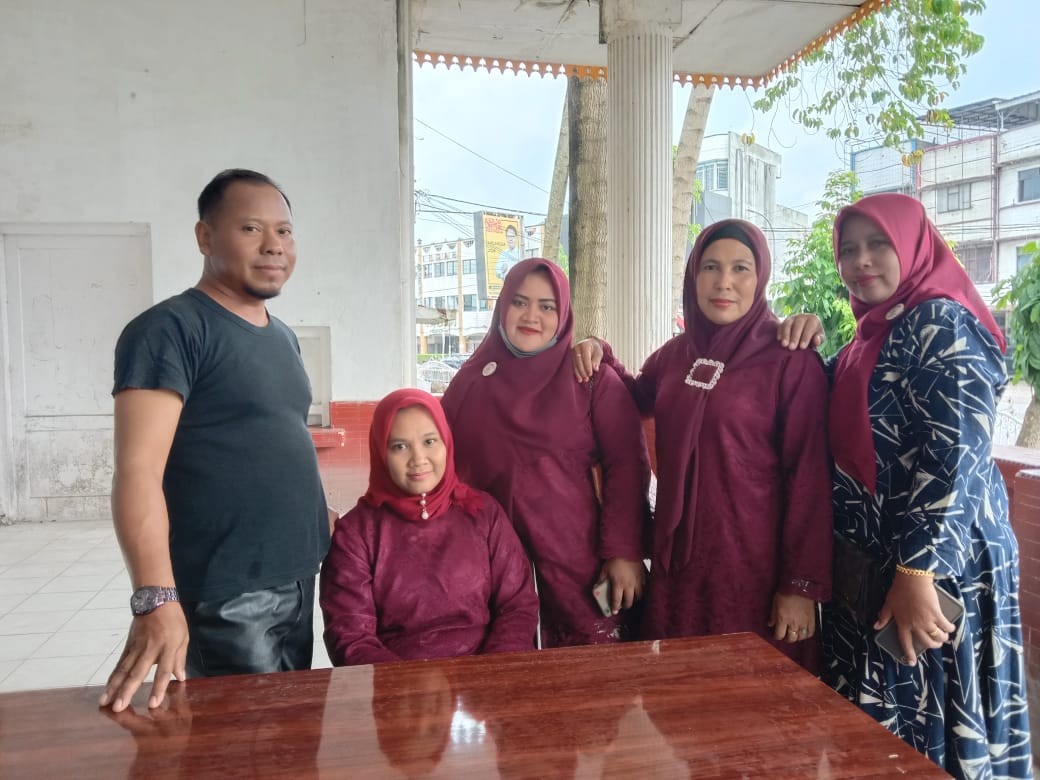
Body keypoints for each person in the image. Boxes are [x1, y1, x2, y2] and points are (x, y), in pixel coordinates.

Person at [782, 193, 1031, 778]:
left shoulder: (942, 323)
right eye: (848, 250)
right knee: (878, 728)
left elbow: (957, 453)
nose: (861, 261)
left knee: (930, 718)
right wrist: (797, 340)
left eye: (878, 245)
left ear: (914, 248)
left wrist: (918, 572)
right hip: (872, 569)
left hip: (935, 572)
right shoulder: (865, 339)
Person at [100, 169, 330, 713]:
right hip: (225, 595)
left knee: (290, 740)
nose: (274, 245)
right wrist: (155, 597)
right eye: (251, 228)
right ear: (205, 237)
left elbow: (268, 440)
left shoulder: (283, 336)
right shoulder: (171, 330)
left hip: (297, 580)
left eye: (284, 231)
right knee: (240, 743)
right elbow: (137, 471)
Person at [573, 220, 832, 670]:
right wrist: (599, 350)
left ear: (761, 277)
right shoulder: (677, 355)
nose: (723, 282)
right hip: (681, 571)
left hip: (755, 571)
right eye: (710, 267)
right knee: (681, 694)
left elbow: (809, 477)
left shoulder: (788, 359)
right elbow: (632, 398)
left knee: (756, 699)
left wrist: (800, 586)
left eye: (740, 268)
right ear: (693, 276)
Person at [441, 258, 651, 648]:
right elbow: (441, 471)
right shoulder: (469, 384)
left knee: (594, 673)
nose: (531, 316)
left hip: (585, 567)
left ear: (563, 314)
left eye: (547, 306)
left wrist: (624, 552)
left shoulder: (589, 379)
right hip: (492, 568)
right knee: (506, 667)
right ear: (502, 306)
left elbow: (628, 467)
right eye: (520, 302)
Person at [320, 388, 538, 665]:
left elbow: (518, 606)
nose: (418, 459)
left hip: (486, 679)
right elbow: (350, 636)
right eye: (400, 446)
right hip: (396, 684)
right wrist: (410, 684)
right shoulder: (356, 534)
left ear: (447, 442)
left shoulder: (483, 513)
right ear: (381, 452)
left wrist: (487, 676)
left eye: (429, 441)